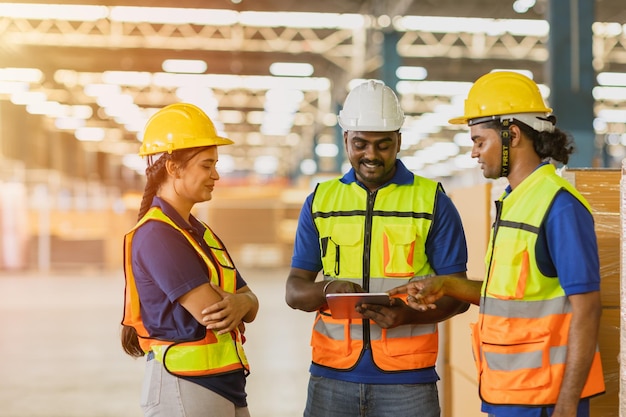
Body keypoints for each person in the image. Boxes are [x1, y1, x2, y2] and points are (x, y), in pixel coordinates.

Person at [389, 71, 606, 417]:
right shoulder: (515, 201)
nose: (474, 152)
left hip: (546, 402)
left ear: (513, 134)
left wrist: (567, 405)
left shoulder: (559, 206)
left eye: (480, 140)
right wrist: (445, 284)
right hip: (508, 395)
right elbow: (510, 298)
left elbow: (587, 309)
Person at [285, 79, 470, 417]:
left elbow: (458, 295)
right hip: (331, 377)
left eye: (383, 145)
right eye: (360, 144)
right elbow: (294, 292)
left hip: (409, 383)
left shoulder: (433, 202)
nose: (371, 155)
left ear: (398, 140)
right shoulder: (320, 202)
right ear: (345, 140)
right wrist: (328, 289)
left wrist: (407, 315)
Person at [120, 102, 259, 417]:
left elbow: (249, 301)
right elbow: (212, 313)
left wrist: (244, 303)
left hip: (224, 383)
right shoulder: (157, 236)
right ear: (173, 167)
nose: (216, 175)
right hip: (184, 386)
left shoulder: (199, 232)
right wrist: (243, 303)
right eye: (206, 165)